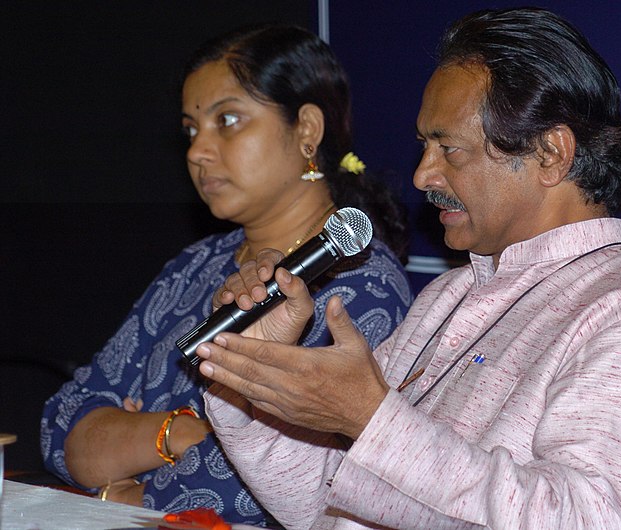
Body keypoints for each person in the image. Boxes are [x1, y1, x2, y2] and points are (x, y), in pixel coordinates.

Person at [196, 7, 621, 530]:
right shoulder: (450, 294)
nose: (423, 175)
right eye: (424, 147)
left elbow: (588, 520)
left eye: (450, 148)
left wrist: (371, 418)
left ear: (550, 153)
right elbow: (322, 506)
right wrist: (255, 372)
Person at [40, 24, 413, 527]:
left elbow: (247, 487)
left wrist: (121, 481)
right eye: (191, 129)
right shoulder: (196, 264)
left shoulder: (359, 288)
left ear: (306, 129)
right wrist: (175, 432)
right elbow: (63, 422)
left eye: (228, 119)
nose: (197, 151)